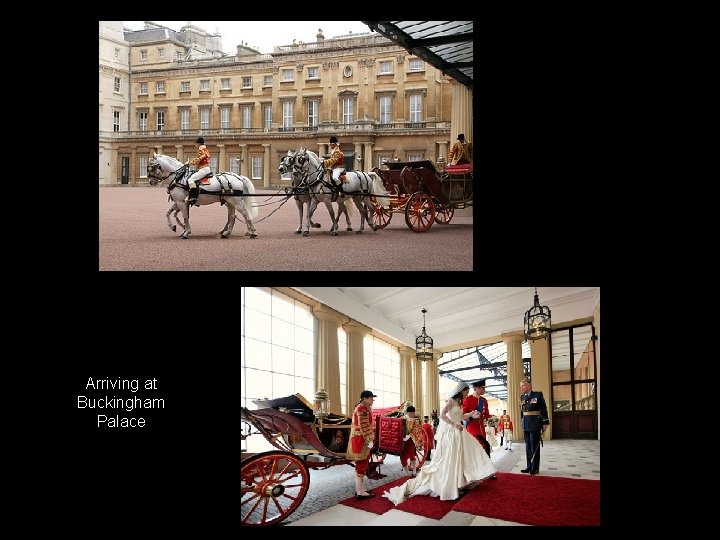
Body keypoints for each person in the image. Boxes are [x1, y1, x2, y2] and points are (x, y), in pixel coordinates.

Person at [382, 381, 496, 504]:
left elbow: (461, 417)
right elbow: (442, 415)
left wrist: (471, 414)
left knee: (465, 456)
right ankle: (449, 483)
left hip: (460, 432)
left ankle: (461, 481)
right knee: (451, 459)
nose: (467, 394)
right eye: (466, 392)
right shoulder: (451, 401)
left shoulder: (459, 402)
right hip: (452, 433)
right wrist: (454, 425)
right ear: (461, 390)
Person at [345, 390, 377, 499]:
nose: (373, 400)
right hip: (361, 439)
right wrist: (370, 439)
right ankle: (360, 492)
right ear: (365, 399)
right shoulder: (362, 408)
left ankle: (360, 489)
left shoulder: (361, 407)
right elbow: (364, 426)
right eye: (371, 398)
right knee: (361, 464)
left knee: (361, 464)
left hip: (359, 438)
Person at [520, 378, 550, 475]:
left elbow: (543, 409)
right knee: (528, 447)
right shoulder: (522, 397)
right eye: (520, 386)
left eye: (523, 386)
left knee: (534, 446)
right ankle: (529, 466)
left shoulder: (537, 395)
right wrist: (522, 422)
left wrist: (545, 422)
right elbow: (522, 412)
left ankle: (535, 468)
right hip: (526, 424)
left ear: (529, 386)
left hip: (535, 424)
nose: (521, 388)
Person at [462, 379, 494, 465]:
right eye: (483, 388)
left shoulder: (484, 401)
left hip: (481, 429)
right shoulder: (468, 400)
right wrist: (471, 418)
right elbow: (463, 415)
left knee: (484, 448)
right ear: (477, 388)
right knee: (482, 446)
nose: (485, 390)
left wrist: (493, 419)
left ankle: (486, 469)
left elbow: (486, 414)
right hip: (472, 428)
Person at [186, 137, 211, 206]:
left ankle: (193, 197)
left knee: (191, 179)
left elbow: (197, 160)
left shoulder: (201, 150)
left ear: (198, 144)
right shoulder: (205, 149)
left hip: (203, 169)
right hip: (205, 168)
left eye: (196, 143)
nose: (195, 145)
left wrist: (189, 163)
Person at [400, 405, 424, 476]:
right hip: (402, 440)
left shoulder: (415, 420)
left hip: (411, 440)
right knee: (403, 457)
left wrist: (409, 435)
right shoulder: (402, 419)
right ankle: (407, 473)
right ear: (408, 413)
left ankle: (414, 470)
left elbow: (416, 429)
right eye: (411, 413)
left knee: (411, 454)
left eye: (413, 413)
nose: (413, 414)